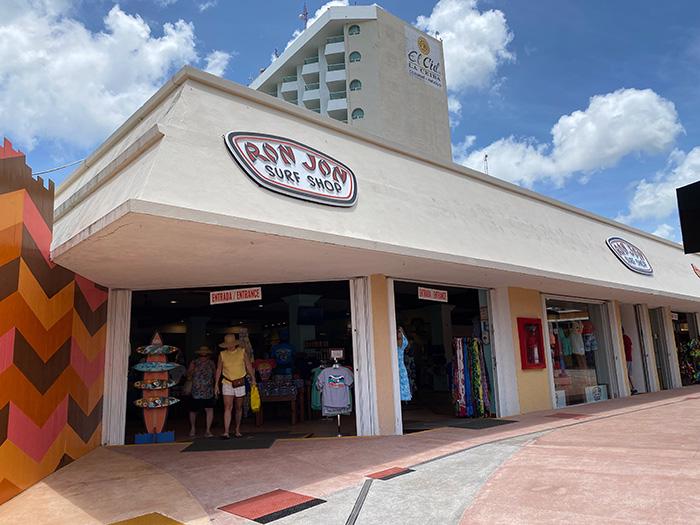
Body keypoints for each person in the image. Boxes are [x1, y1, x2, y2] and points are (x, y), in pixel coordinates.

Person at [215, 334, 256, 438]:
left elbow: (248, 366)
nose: (230, 346)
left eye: (231, 344)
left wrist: (253, 378)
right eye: (228, 344)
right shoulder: (222, 354)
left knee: (238, 407)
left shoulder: (242, 352)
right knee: (227, 407)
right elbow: (219, 369)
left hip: (240, 382)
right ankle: (226, 431)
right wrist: (216, 384)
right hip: (227, 382)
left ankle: (237, 429)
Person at [187, 345, 216, 437]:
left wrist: (216, 386)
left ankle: (208, 430)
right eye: (201, 355)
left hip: (208, 390)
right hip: (196, 390)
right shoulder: (194, 362)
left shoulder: (211, 363)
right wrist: (193, 371)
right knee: (193, 410)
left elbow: (215, 375)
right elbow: (188, 375)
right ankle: (193, 428)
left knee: (209, 409)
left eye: (205, 355)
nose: (203, 357)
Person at [622, 327, 638, 394]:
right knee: (630, 374)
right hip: (629, 358)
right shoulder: (627, 338)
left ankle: (630, 389)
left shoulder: (622, 339)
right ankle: (633, 388)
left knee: (626, 374)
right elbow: (632, 348)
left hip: (625, 358)